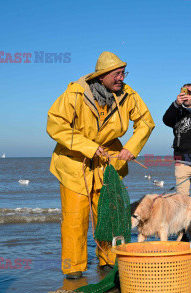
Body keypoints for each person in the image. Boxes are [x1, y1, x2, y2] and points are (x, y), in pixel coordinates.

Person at [47, 51, 155, 279]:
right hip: (74, 164)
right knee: (74, 220)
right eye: (116, 74)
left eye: (123, 73)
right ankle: (74, 268)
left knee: (110, 216)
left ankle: (108, 261)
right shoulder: (74, 94)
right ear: (101, 77)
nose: (121, 78)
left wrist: (132, 148)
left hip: (109, 164)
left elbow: (146, 121)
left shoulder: (128, 95)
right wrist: (88, 147)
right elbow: (55, 125)